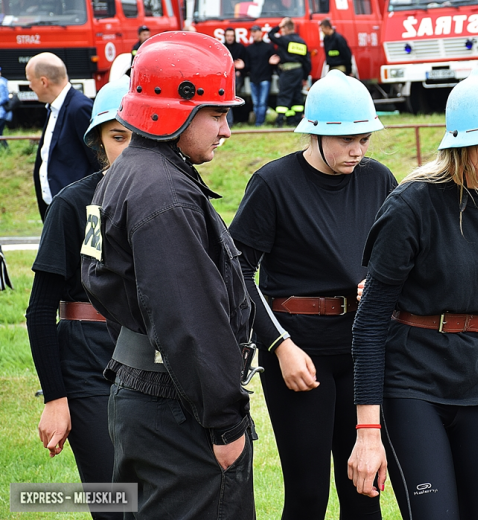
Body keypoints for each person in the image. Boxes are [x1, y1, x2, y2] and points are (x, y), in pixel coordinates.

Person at [347, 68, 478, 520]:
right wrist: (367, 430)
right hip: (412, 386)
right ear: (459, 141)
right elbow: (370, 322)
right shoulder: (411, 204)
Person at [80, 32, 257, 519]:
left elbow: (102, 282)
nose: (226, 131)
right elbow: (190, 319)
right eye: (217, 114)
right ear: (173, 109)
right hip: (180, 408)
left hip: (146, 392)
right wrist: (224, 424)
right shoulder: (164, 196)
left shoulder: (125, 174)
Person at [229, 69, 395, 520]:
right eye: (347, 140)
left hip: (363, 347)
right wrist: (279, 344)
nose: (358, 150)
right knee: (308, 495)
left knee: (366, 493)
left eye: (364, 138)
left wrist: (381, 281)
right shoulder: (272, 183)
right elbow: (237, 270)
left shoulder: (379, 179)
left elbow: (401, 257)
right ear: (316, 133)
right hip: (299, 350)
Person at [25, 77, 131, 520]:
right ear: (97, 140)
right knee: (114, 500)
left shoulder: (178, 200)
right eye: (118, 136)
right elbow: (38, 311)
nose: (130, 147)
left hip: (156, 361)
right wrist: (55, 398)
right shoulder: (72, 204)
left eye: (141, 135)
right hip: (88, 363)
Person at [26, 53, 101, 221]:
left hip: (76, 212)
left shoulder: (79, 108)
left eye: (30, 81)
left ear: (44, 81)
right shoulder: (54, 108)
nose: (30, 86)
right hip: (59, 209)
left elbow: (98, 161)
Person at [269, 17, 310, 127]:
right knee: (297, 95)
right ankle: (295, 120)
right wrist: (305, 76)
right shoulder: (301, 41)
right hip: (298, 72)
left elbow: (270, 35)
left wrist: (278, 25)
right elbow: (307, 61)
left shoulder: (284, 39)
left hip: (287, 72)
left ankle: (280, 120)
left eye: (282, 28)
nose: (281, 30)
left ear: (286, 28)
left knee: (284, 95)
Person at [245, 24, 276, 126]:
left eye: (255, 32)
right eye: (252, 32)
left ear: (260, 33)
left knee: (262, 102)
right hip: (253, 79)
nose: (252, 34)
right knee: (256, 103)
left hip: (265, 79)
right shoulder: (249, 49)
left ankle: (259, 123)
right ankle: (257, 122)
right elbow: (248, 65)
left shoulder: (268, 47)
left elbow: (273, 63)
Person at [223, 27, 248, 126]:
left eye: (231, 36)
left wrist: (240, 70)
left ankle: (231, 121)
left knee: (231, 98)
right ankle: (228, 122)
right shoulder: (222, 48)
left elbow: (246, 64)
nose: (230, 38)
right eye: (228, 36)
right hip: (224, 78)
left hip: (236, 77)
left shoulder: (240, 48)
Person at [0, 66, 10, 151]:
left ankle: (7, 149)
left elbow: (4, 98)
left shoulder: (1, 83)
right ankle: (6, 149)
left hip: (1, 113)